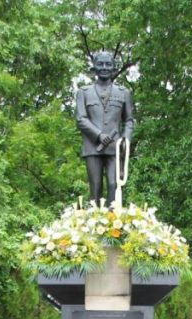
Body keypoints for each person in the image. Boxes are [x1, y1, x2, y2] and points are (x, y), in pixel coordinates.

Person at [75, 50, 135, 204]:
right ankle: (94, 224)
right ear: (94, 68)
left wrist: (125, 142)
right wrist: (99, 135)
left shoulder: (123, 93)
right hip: (92, 146)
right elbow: (81, 119)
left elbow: (128, 120)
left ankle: (114, 222)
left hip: (114, 147)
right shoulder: (84, 92)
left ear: (114, 69)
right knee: (95, 188)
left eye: (108, 64)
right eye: (100, 64)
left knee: (114, 185)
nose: (104, 67)